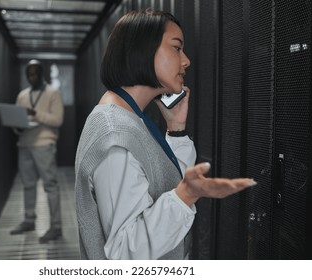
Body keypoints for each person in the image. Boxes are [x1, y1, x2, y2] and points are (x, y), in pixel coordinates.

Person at [75, 9, 257, 259]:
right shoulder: (115, 134)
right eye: (176, 48)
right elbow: (125, 252)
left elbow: (164, 187)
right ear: (143, 50)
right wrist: (187, 195)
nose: (186, 61)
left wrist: (177, 130)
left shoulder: (130, 117)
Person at [10, 59, 64, 244]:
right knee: (28, 184)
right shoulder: (22, 95)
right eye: (29, 74)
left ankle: (56, 226)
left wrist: (35, 114)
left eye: (35, 73)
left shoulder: (53, 93)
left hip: (44, 144)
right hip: (24, 143)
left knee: (50, 185)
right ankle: (29, 220)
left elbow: (57, 120)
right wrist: (17, 126)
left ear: (42, 75)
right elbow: (17, 119)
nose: (32, 77)